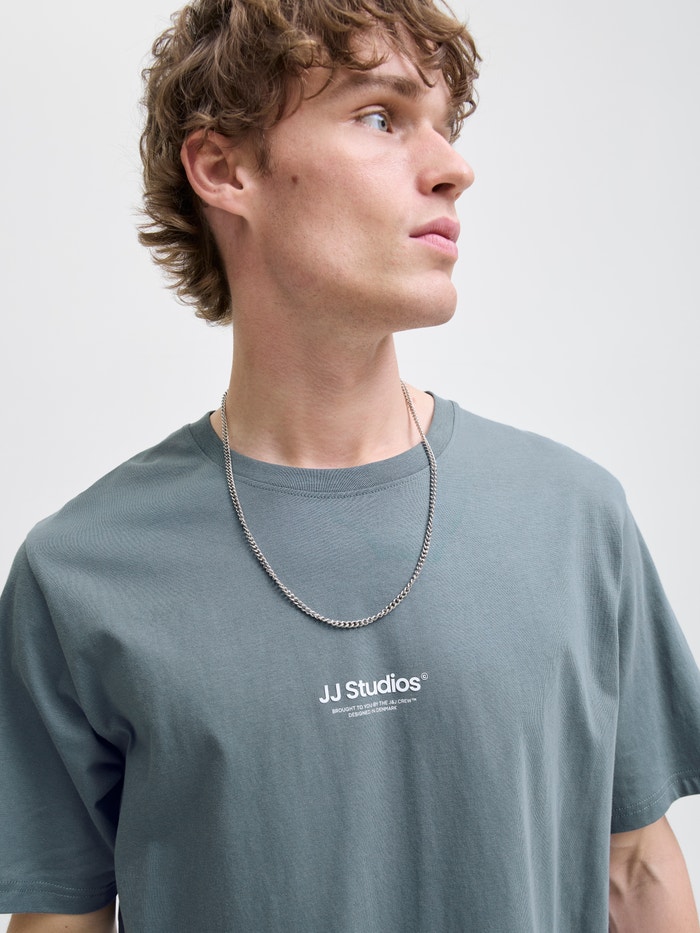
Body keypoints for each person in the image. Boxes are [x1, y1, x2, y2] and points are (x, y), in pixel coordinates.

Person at [1, 0, 699, 929]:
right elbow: (61, 917)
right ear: (225, 168)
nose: (453, 168)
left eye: (444, 126)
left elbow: (636, 871)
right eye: (381, 116)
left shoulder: (576, 520)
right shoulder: (79, 576)